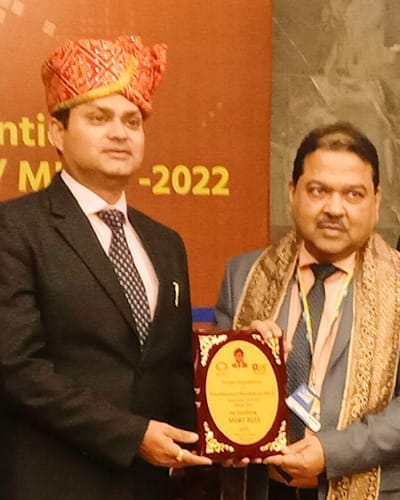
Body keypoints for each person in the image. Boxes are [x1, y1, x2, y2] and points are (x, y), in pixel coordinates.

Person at [0, 35, 212, 500]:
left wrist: (223, 437)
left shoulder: (166, 243)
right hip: (51, 483)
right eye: (99, 118)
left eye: (132, 121)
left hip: (150, 489)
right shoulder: (14, 229)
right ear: (57, 133)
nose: (120, 133)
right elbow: (15, 368)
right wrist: (132, 435)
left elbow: (173, 370)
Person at [215, 122, 400, 499]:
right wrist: (244, 361)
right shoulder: (245, 275)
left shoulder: (397, 284)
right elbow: (213, 397)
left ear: (376, 201)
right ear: (292, 193)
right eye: (319, 191)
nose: (334, 208)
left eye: (353, 194)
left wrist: (332, 453)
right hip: (260, 488)